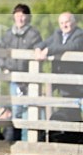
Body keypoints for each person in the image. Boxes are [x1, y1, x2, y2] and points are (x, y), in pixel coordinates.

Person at [34, 12, 83, 142]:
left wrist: (49, 51)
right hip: (63, 83)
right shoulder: (57, 34)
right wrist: (38, 50)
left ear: (74, 22)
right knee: (70, 112)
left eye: (67, 22)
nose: (64, 25)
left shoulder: (79, 34)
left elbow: (73, 46)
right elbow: (41, 44)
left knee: (76, 111)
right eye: (62, 23)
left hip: (77, 84)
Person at [0, 4, 42, 141]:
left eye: (23, 15)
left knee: (29, 111)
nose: (20, 18)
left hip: (29, 80)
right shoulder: (9, 34)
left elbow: (39, 47)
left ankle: (26, 141)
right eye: (17, 15)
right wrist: (4, 66)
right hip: (13, 78)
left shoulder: (33, 34)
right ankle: (14, 141)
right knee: (16, 110)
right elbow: (0, 52)